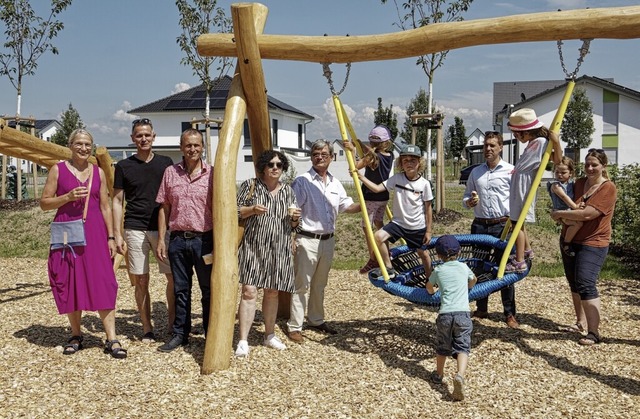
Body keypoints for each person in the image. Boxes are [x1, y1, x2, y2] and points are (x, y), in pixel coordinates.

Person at [40, 128, 127, 359]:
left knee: (104, 281)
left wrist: (111, 236)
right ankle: (76, 334)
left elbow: (105, 206)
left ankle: (111, 337)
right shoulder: (57, 170)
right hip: (67, 231)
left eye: (87, 144)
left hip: (95, 231)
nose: (84, 148)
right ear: (70, 145)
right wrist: (67, 197)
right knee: (70, 280)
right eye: (79, 143)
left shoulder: (97, 172)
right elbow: (44, 203)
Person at [286, 140, 360, 343]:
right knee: (302, 284)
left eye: (324, 154)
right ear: (311, 157)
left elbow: (347, 206)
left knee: (320, 284)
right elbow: (292, 208)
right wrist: (292, 235)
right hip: (308, 239)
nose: (320, 157)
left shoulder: (336, 184)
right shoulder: (302, 181)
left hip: (328, 241)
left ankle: (316, 320)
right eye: (316, 153)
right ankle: (295, 326)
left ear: (332, 157)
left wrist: (366, 202)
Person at [113, 118, 175, 343]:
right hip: (135, 227)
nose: (143, 139)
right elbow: (118, 201)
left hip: (162, 227)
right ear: (132, 139)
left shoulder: (166, 163)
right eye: (139, 135)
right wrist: (117, 233)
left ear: (154, 136)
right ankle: (147, 327)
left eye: (147, 135)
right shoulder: (123, 166)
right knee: (140, 280)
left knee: (173, 278)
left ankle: (172, 325)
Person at [235, 150, 301, 357]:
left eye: (279, 165)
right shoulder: (250, 185)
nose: (275, 168)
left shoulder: (288, 191)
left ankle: (269, 334)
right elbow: (235, 211)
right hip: (253, 246)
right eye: (271, 164)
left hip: (279, 247)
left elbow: (292, 225)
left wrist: (295, 220)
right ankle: (243, 339)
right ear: (263, 166)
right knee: (249, 291)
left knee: (272, 292)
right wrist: (252, 209)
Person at [155, 128, 213, 352]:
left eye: (197, 145)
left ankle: (210, 332)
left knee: (208, 289)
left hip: (204, 240)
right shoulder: (171, 173)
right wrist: (162, 239)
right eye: (188, 145)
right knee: (181, 289)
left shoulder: (213, 174)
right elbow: (164, 207)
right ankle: (181, 333)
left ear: (202, 147)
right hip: (178, 240)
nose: (193, 149)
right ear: (181, 147)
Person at [551, 148, 616, 345]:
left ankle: (594, 332)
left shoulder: (607, 188)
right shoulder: (579, 183)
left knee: (586, 282)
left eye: (594, 164)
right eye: (587, 164)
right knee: (574, 282)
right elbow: (570, 204)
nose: (589, 168)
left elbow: (587, 214)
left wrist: (559, 214)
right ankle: (580, 322)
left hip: (593, 242)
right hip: (569, 239)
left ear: (603, 166)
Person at [462, 131, 519, 328]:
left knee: (506, 268)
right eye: (486, 145)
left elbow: (518, 198)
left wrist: (516, 221)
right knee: (478, 266)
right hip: (480, 224)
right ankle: (482, 308)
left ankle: (509, 313)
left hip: (503, 225)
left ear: (501, 147)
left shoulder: (511, 171)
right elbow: (466, 196)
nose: (488, 149)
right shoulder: (476, 172)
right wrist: (469, 202)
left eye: (492, 145)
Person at [357, 144, 434, 280]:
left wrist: (428, 231)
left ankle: (431, 280)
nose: (409, 163)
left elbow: (428, 208)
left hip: (416, 226)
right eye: (405, 161)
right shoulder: (397, 179)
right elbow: (377, 188)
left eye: (413, 160)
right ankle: (389, 267)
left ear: (419, 163)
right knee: (378, 236)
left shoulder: (424, 184)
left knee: (423, 253)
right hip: (398, 223)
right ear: (401, 163)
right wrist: (361, 177)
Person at [506, 108, 562, 272]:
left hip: (524, 183)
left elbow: (557, 160)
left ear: (527, 132)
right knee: (517, 221)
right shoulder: (534, 142)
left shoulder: (541, 142)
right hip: (519, 181)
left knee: (517, 223)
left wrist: (556, 142)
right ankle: (527, 250)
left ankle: (520, 260)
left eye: (517, 133)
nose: (516, 137)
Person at [426, 235, 477, 401]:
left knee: (443, 346)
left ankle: (439, 374)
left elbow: (429, 287)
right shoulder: (463, 267)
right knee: (463, 346)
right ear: (459, 251)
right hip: (463, 313)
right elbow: (473, 279)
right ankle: (460, 375)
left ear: (438, 255)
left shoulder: (438, 270)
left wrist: (433, 293)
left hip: (445, 314)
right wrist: (468, 287)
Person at [343, 125, 395, 274]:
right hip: (383, 197)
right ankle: (387, 252)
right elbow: (373, 152)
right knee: (379, 223)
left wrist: (353, 151)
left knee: (367, 227)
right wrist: (360, 145)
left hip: (371, 197)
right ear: (386, 142)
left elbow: (354, 167)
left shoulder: (372, 157)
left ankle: (373, 258)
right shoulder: (389, 155)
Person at [548, 156, 583, 256]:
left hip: (569, 210)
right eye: (557, 172)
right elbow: (564, 197)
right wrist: (575, 207)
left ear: (570, 173)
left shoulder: (571, 183)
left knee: (578, 223)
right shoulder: (556, 185)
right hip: (561, 211)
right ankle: (566, 243)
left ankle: (569, 242)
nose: (559, 175)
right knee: (577, 224)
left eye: (563, 173)